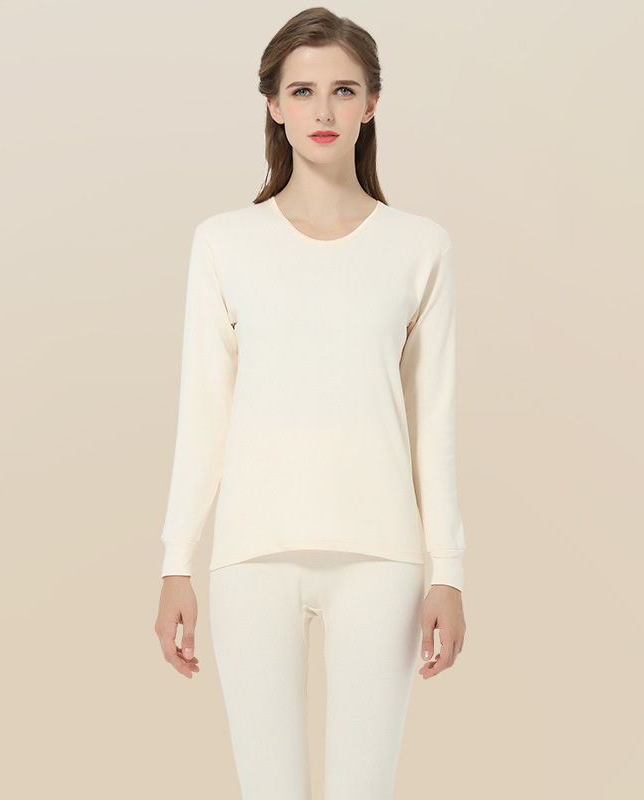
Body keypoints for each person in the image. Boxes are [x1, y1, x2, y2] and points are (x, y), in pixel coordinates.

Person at [154, 7, 467, 799]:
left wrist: (449, 572)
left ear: (371, 103)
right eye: (302, 91)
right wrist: (175, 560)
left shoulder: (419, 247)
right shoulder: (225, 242)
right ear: (273, 104)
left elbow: (432, 420)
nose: (323, 110)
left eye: (343, 90)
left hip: (382, 557)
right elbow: (204, 411)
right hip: (252, 556)